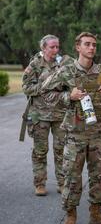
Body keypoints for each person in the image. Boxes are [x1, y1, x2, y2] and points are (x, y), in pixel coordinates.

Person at [41, 32, 101, 224]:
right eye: (87, 44)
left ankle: (96, 213)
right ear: (78, 47)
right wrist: (68, 96)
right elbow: (45, 93)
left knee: (99, 175)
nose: (91, 48)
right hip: (75, 134)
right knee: (72, 177)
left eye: (94, 45)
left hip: (98, 133)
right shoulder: (66, 71)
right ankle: (70, 215)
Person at [22, 34, 72, 196]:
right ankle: (40, 183)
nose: (55, 50)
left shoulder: (63, 64)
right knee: (40, 151)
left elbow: (71, 84)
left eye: (57, 46)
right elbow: (26, 87)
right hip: (39, 115)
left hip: (60, 114)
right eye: (52, 47)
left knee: (61, 151)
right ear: (43, 48)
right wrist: (44, 87)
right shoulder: (35, 64)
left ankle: (62, 182)